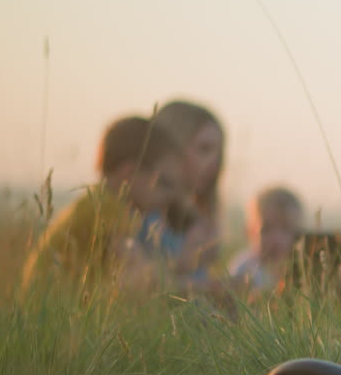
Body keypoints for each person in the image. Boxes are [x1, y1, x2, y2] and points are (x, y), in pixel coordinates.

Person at [22, 116, 185, 289]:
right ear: (128, 173)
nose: (171, 196)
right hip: (55, 307)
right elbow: (142, 276)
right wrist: (199, 287)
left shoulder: (98, 200)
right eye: (165, 183)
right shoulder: (108, 208)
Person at [153, 100, 225, 279]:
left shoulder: (196, 221)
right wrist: (185, 261)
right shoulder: (140, 217)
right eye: (204, 149)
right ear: (174, 146)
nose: (214, 163)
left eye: (218, 153)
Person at [229, 186, 304, 292]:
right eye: (266, 229)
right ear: (249, 232)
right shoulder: (244, 268)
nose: (276, 239)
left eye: (285, 228)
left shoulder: (301, 268)